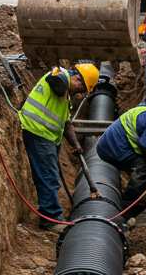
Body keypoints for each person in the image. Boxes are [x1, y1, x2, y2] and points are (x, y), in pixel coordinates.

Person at [21, 63, 100, 229]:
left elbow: (66, 123)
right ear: (77, 77)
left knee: (50, 175)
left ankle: (51, 213)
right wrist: (67, 82)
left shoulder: (66, 96)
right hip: (37, 131)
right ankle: (51, 218)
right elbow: (57, 81)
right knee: (48, 176)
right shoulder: (59, 77)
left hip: (47, 136)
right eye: (81, 88)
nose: (79, 93)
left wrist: (76, 145)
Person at [95, 104, 146, 218]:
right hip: (113, 147)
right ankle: (127, 210)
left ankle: (137, 195)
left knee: (145, 167)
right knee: (144, 169)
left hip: (110, 142)